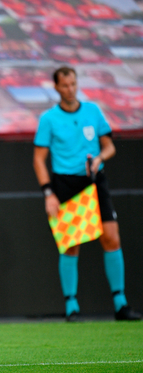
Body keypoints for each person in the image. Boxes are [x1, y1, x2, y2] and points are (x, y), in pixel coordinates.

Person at [32, 66, 142, 322]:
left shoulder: (93, 111)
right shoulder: (49, 119)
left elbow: (109, 146)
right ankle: (72, 306)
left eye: (73, 84)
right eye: (65, 85)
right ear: (57, 88)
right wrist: (49, 193)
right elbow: (39, 160)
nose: (70, 89)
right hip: (65, 184)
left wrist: (100, 158)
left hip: (95, 181)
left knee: (111, 238)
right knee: (71, 244)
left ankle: (121, 304)